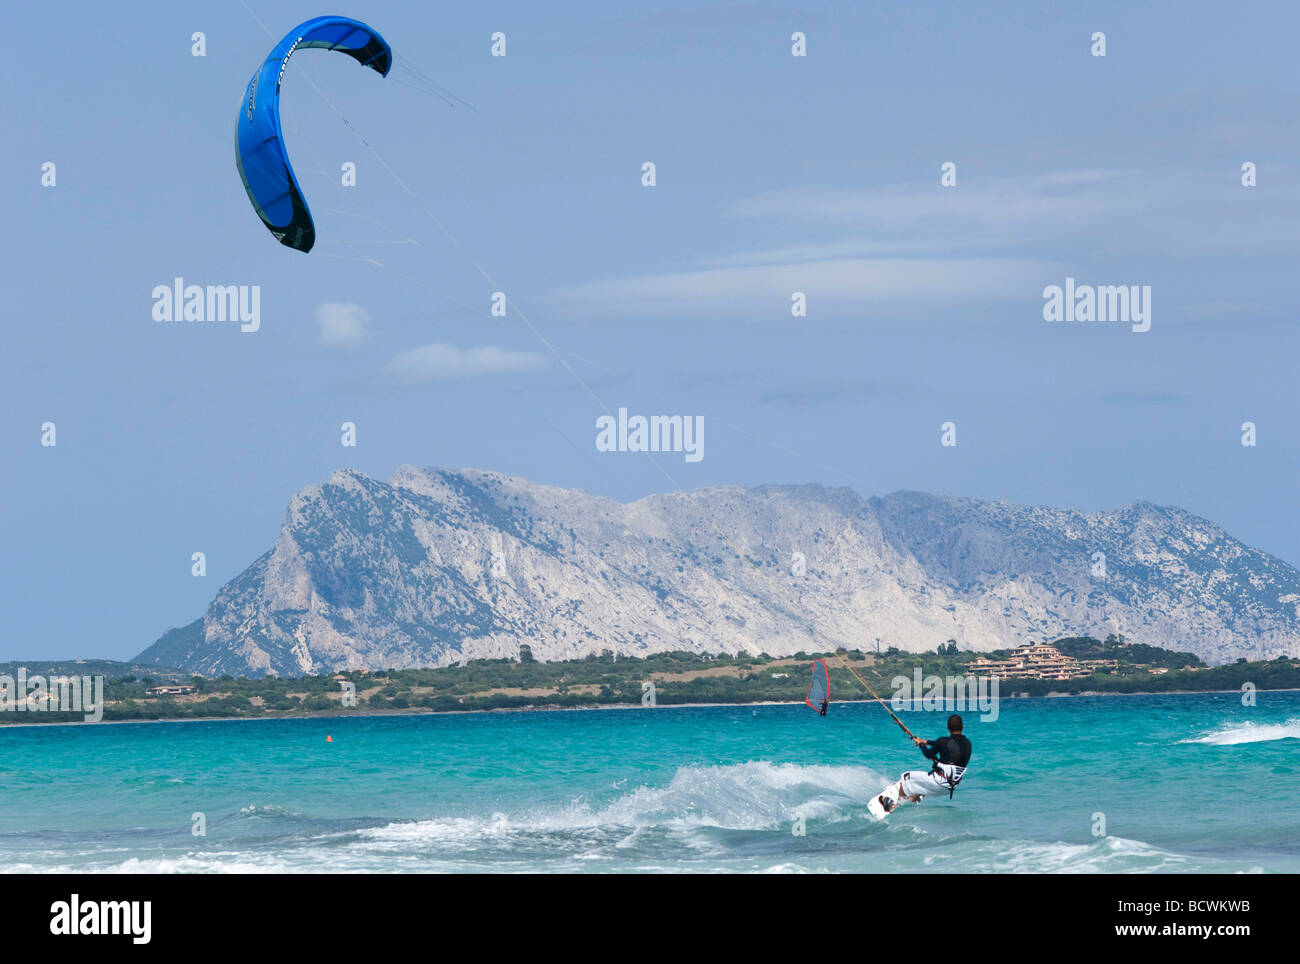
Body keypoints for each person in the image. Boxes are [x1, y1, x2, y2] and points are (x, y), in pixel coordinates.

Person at [879, 714, 971, 812]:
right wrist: (924, 741)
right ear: (962, 727)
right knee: (921, 784)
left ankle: (891, 803)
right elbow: (943, 744)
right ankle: (913, 798)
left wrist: (921, 745)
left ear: (948, 728)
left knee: (906, 777)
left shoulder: (943, 741)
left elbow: (928, 754)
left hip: (938, 783)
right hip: (951, 787)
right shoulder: (968, 744)